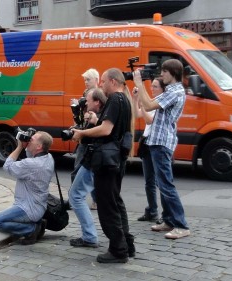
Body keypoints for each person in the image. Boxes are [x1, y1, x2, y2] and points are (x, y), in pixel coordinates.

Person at [72, 68, 135, 263]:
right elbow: (113, 128)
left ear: (114, 82)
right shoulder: (125, 100)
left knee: (107, 205)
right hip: (118, 158)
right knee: (116, 202)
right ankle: (126, 244)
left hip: (107, 160)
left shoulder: (115, 99)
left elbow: (106, 129)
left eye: (104, 82)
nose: (101, 85)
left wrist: (82, 133)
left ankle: (118, 250)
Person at [133, 59, 190, 239]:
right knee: (162, 183)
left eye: (165, 72)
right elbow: (148, 103)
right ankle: (168, 220)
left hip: (162, 142)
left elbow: (149, 105)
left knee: (166, 185)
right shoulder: (172, 91)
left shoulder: (176, 92)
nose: (162, 74)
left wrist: (139, 83)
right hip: (157, 141)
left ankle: (181, 225)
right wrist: (138, 93)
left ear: (173, 73)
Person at [0, 131, 54, 245]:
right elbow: (30, 155)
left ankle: (31, 230)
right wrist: (27, 145)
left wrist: (19, 146)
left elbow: (7, 166)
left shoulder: (31, 165)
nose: (29, 140)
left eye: (32, 139)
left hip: (27, 209)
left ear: (39, 146)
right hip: (39, 207)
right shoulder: (48, 158)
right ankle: (36, 224)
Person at [68, 88, 107, 248]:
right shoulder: (101, 112)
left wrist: (87, 129)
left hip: (95, 159)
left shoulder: (102, 116)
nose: (86, 102)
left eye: (88, 100)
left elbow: (104, 132)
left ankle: (90, 236)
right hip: (98, 159)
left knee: (76, 195)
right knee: (109, 200)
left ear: (97, 101)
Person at [132, 78, 165, 223]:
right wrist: (135, 99)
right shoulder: (152, 101)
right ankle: (152, 211)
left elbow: (149, 120)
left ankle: (165, 213)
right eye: (152, 86)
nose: (152, 89)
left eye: (156, 86)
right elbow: (137, 114)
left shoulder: (161, 102)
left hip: (158, 144)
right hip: (147, 142)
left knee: (161, 182)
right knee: (149, 181)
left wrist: (144, 105)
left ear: (163, 89)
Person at [71, 68, 99, 210]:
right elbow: (83, 117)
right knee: (86, 169)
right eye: (85, 80)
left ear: (96, 80)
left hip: (89, 135)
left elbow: (94, 116)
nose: (86, 82)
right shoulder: (85, 94)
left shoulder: (98, 95)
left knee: (81, 168)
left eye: (88, 79)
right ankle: (93, 200)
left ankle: (75, 198)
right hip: (84, 131)